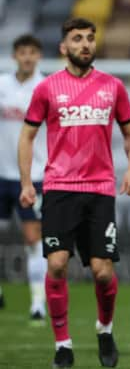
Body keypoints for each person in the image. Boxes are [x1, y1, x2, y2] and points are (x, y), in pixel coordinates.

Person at [18, 18, 130, 368]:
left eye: (90, 38)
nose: (85, 44)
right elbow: (27, 137)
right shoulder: (46, 89)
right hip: (59, 188)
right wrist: (27, 182)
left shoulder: (113, 87)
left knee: (103, 272)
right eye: (77, 39)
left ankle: (105, 329)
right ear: (63, 47)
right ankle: (63, 344)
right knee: (57, 264)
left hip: (100, 189)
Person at [0, 34, 48, 324]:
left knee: (33, 237)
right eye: (22, 52)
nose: (27, 57)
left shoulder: (45, 88)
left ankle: (37, 302)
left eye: (32, 52)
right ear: (15, 55)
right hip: (0, 173)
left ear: (38, 56)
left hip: (32, 175)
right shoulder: (2, 85)